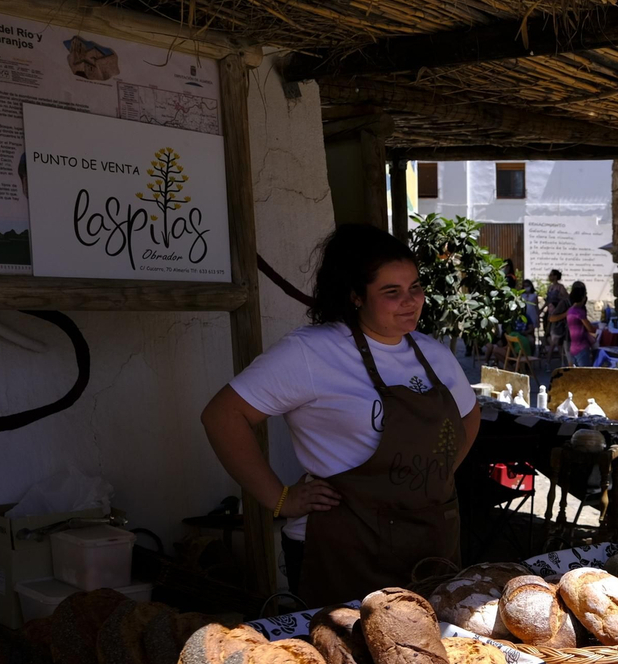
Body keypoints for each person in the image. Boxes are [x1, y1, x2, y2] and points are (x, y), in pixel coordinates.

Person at [201, 224, 480, 606]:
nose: (411, 301)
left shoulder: (432, 353)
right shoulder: (312, 353)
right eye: (391, 292)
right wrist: (280, 499)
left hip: (430, 544)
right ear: (355, 295)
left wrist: (437, 472)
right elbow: (223, 416)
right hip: (347, 551)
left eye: (415, 287)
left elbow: (469, 415)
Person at [561, 281, 594, 366]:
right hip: (581, 346)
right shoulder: (579, 312)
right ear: (583, 297)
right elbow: (590, 329)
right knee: (584, 374)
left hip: (573, 347)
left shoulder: (570, 311)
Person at [545, 269, 570, 365]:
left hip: (558, 315)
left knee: (554, 339)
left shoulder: (560, 287)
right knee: (553, 339)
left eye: (551, 275)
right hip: (550, 314)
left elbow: (566, 299)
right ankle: (563, 361)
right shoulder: (550, 287)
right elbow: (548, 301)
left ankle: (548, 362)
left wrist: (559, 299)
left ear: (555, 276)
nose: (550, 277)